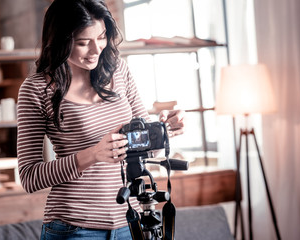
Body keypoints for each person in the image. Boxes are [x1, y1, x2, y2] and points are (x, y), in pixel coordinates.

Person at [16, 0, 185, 239]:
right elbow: (30, 177)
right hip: (74, 228)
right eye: (83, 42)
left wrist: (166, 130)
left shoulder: (119, 71)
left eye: (102, 37)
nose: (97, 49)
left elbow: (148, 149)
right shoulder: (36, 89)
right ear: (60, 41)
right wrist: (93, 154)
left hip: (131, 223)